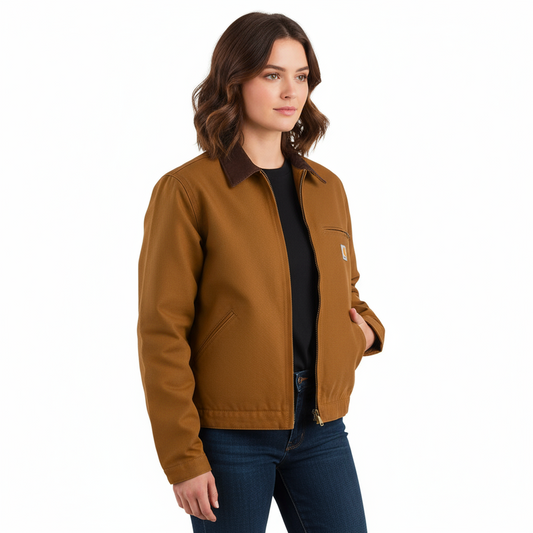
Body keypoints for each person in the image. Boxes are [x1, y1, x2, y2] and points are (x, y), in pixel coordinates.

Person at [137, 12, 385, 533]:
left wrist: (366, 333)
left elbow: (346, 292)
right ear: (235, 81)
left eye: (301, 76)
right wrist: (182, 457)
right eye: (272, 75)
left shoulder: (327, 187)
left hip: (321, 427)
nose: (290, 91)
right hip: (229, 435)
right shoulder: (187, 191)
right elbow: (162, 331)